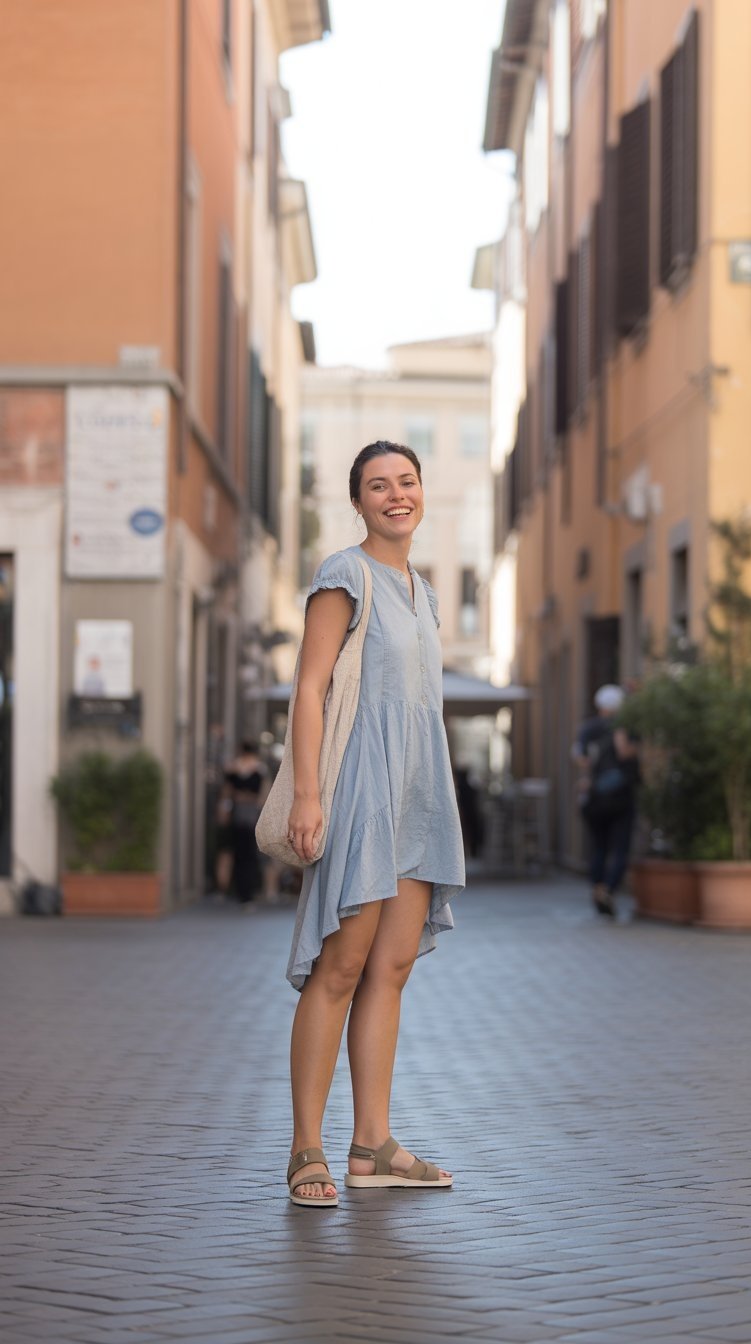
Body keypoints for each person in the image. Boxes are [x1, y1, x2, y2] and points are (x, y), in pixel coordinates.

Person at [284, 440, 465, 1208]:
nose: (396, 495)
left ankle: (372, 1144)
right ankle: (304, 1147)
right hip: (361, 786)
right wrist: (307, 794)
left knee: (392, 969)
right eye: (378, 485)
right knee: (343, 966)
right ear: (356, 502)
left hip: (420, 790)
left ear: (423, 492)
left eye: (407, 482)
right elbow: (311, 688)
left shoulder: (422, 589)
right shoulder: (344, 573)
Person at [573, 684, 640, 919]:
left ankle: (597, 888)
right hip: (620, 795)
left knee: (599, 846)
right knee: (620, 847)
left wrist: (591, 775)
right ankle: (609, 889)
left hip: (594, 797)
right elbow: (623, 751)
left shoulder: (588, 728)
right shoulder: (621, 725)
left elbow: (581, 759)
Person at [222, 741, 268, 906]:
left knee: (246, 853)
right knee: (242, 852)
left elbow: (228, 792)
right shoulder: (240, 769)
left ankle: (245, 891)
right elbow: (228, 791)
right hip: (244, 812)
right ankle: (242, 891)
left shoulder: (254, 769)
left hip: (246, 812)